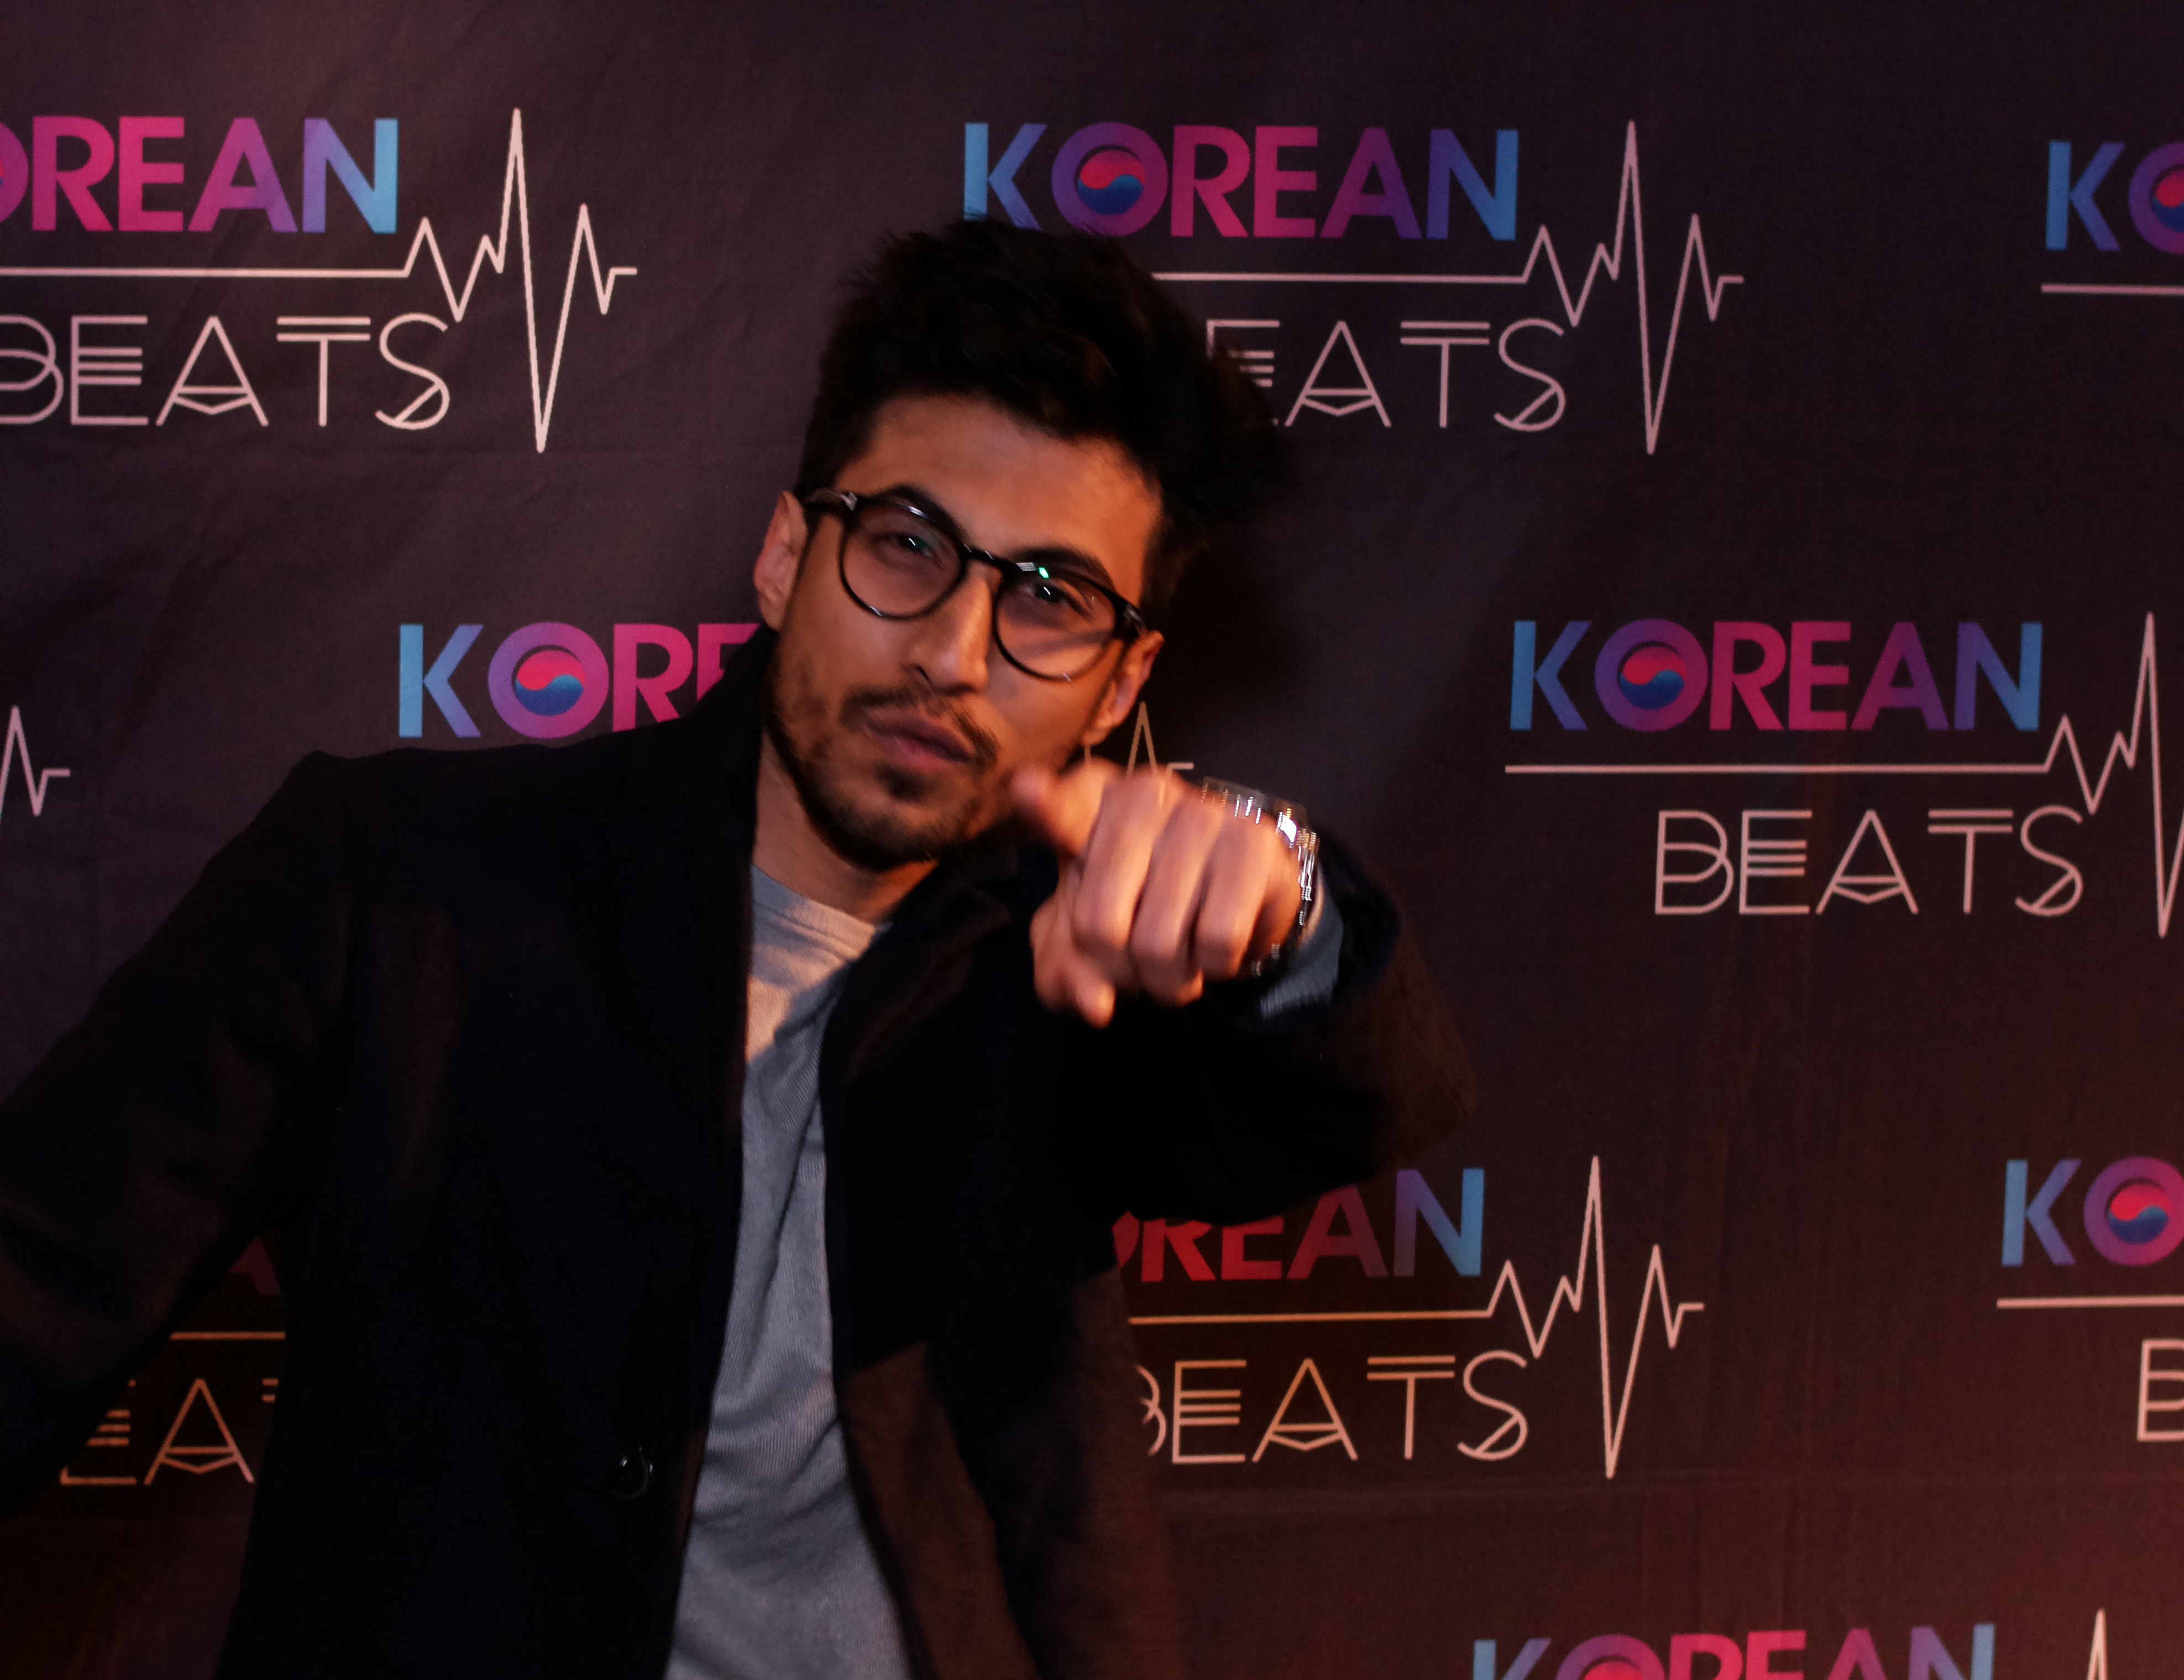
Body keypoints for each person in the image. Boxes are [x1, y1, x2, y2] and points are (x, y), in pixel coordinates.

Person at [0, 219, 1472, 1680]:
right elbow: (34, 1288)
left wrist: (1285, 891)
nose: (953, 653)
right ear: (784, 555)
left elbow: (1364, 1095)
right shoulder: (394, 885)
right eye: (908, 545)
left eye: (1049, 599)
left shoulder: (1079, 960)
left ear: (1121, 682)